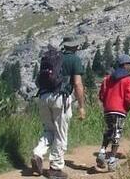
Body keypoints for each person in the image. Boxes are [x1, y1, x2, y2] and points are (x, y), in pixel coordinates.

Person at [31, 35, 86, 179]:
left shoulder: (53, 58)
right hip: (60, 98)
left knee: (49, 130)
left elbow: (40, 81)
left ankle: (38, 153)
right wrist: (81, 106)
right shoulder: (74, 60)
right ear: (75, 47)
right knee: (61, 134)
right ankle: (55, 168)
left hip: (43, 96)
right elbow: (78, 84)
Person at [96, 54, 130, 172]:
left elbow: (102, 94)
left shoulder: (108, 78)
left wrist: (106, 104)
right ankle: (112, 160)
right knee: (117, 133)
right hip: (119, 109)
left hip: (108, 109)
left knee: (109, 130)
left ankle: (102, 152)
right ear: (125, 65)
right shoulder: (128, 78)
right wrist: (128, 107)